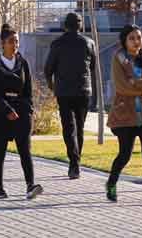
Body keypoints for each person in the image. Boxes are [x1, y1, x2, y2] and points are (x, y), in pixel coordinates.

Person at [0, 24, 43, 200]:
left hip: (21, 112)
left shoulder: (23, 63)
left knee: (25, 151)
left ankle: (30, 185)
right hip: (1, 112)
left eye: (16, 41)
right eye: (10, 41)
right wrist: (7, 110)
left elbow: (28, 90)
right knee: (0, 152)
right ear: (2, 43)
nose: (14, 45)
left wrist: (28, 110)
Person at [106, 24, 142, 206]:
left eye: (139, 37)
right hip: (126, 115)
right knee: (125, 154)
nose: (136, 41)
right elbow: (122, 86)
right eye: (132, 38)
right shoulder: (119, 59)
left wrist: (137, 82)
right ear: (124, 40)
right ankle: (112, 183)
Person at [43, 12, 97, 179]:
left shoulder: (57, 44)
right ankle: (75, 163)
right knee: (79, 127)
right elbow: (93, 67)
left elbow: (48, 69)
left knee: (69, 128)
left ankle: (74, 163)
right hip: (83, 91)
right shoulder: (89, 43)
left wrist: (52, 85)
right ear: (80, 25)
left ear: (65, 26)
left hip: (64, 92)